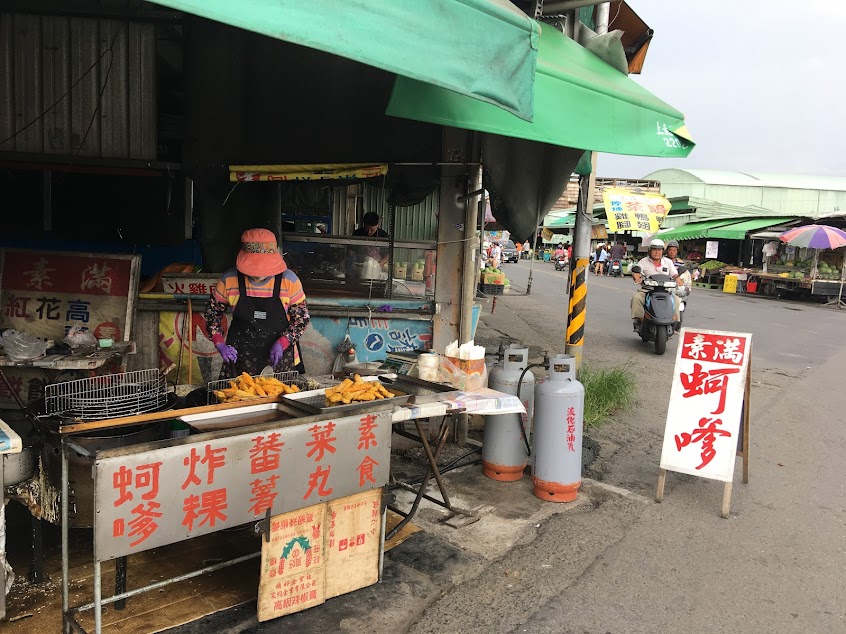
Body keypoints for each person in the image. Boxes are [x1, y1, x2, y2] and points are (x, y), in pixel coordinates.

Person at [205, 228, 310, 376]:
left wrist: (283, 343)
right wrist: (219, 343)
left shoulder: (289, 280)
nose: (259, 274)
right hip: (239, 358)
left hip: (280, 358)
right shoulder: (229, 279)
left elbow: (302, 320)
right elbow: (212, 314)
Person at [631, 238, 683, 326]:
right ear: (649, 251)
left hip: (666, 290)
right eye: (654, 250)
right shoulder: (643, 261)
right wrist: (637, 278)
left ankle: (674, 321)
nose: (657, 252)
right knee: (636, 298)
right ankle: (639, 319)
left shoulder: (668, 262)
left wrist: (679, 280)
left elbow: (675, 274)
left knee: (677, 300)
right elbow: (636, 272)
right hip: (648, 290)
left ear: (663, 251)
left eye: (659, 250)